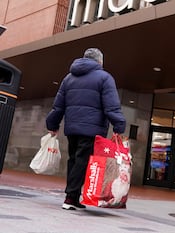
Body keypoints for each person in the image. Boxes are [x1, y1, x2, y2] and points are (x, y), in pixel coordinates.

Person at [46, 48, 126, 210]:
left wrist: (52, 125)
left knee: (74, 160)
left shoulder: (68, 78)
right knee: (82, 161)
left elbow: (58, 106)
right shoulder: (105, 78)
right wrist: (119, 125)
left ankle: (73, 197)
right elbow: (111, 106)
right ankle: (70, 197)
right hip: (92, 129)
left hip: (72, 128)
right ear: (100, 61)